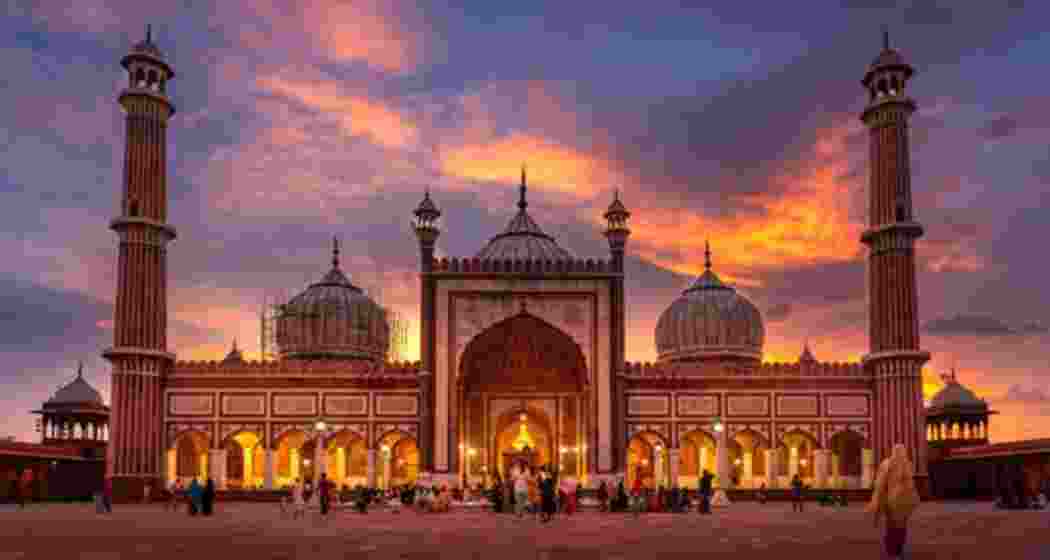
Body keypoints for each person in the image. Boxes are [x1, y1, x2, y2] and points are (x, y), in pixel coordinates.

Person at [866, 443, 920, 560]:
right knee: (898, 527)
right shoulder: (904, 464)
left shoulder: (892, 464)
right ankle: (895, 551)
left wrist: (877, 499)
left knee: (894, 527)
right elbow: (910, 485)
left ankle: (893, 551)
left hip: (894, 500)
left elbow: (880, 484)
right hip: (899, 501)